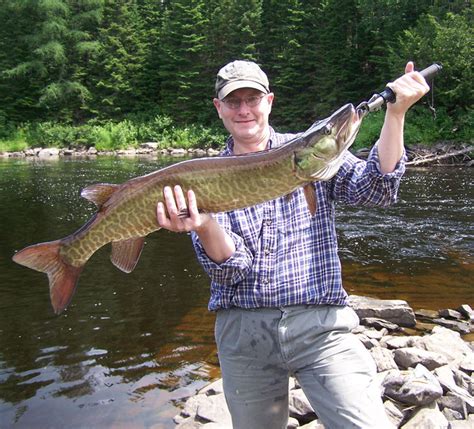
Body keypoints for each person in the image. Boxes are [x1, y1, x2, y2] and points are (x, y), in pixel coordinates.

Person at [157, 60, 429, 429]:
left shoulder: (309, 152)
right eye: (232, 101)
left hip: (322, 327)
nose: (244, 110)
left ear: (269, 101)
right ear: (218, 107)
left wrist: (395, 115)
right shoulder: (205, 176)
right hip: (244, 332)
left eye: (252, 98)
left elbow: (377, 188)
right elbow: (231, 268)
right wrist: (204, 225)